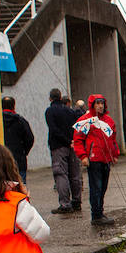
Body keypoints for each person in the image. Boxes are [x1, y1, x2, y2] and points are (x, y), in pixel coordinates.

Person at [72, 94, 119, 227]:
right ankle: (96, 215)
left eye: (102, 103)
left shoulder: (108, 121)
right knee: (96, 187)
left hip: (106, 159)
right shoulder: (86, 120)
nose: (100, 106)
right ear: (92, 105)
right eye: (97, 103)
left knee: (103, 187)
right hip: (93, 159)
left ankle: (100, 212)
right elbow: (78, 140)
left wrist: (114, 154)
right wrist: (83, 156)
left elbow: (113, 139)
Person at [44, 86, 83, 214]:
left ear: (50, 98)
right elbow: (76, 124)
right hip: (72, 146)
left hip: (58, 146)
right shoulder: (69, 111)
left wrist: (65, 140)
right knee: (74, 174)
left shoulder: (50, 111)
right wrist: (72, 141)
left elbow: (53, 129)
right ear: (61, 97)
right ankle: (77, 201)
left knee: (61, 174)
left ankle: (65, 204)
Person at [1, 97, 34, 183]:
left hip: (0, 161)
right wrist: (24, 151)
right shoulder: (20, 121)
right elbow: (30, 139)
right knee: (20, 189)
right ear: (13, 106)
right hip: (19, 160)